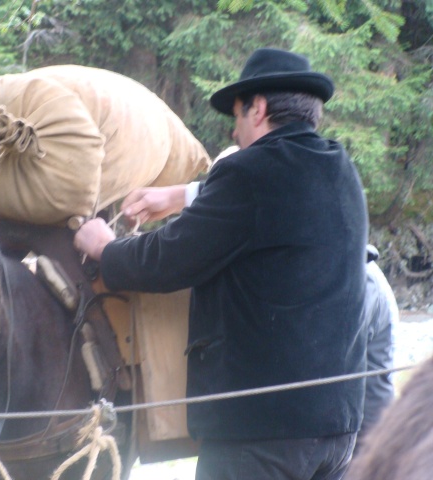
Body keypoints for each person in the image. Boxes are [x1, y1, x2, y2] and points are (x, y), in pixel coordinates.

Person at [74, 47, 369, 480]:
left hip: (259, 433)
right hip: (336, 427)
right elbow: (270, 210)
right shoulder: (340, 168)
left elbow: (168, 260)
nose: (234, 132)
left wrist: (105, 247)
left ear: (259, 108)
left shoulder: (250, 172)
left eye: (236, 116)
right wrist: (182, 195)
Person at [353, 245, 398, 457]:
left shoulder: (365, 279)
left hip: (369, 429)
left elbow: (344, 342)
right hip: (363, 422)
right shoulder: (362, 273)